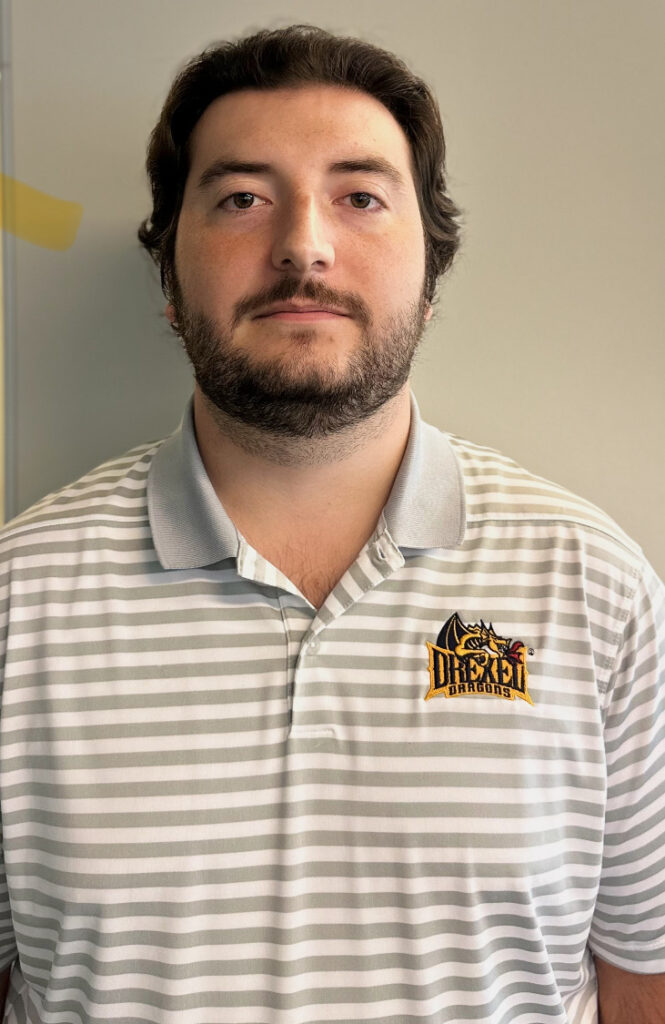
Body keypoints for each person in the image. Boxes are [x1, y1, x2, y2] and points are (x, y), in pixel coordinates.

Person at [0, 22, 663, 1024]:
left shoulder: (592, 586)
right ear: (169, 277)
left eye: (359, 197)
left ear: (430, 275)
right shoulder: (19, 599)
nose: (302, 244)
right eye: (241, 198)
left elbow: (642, 983)